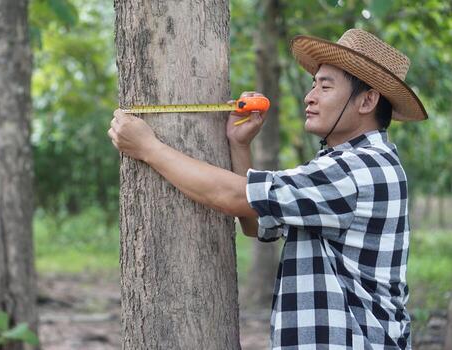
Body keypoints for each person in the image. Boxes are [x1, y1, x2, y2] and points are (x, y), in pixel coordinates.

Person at [108, 29, 427, 349]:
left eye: (325, 86)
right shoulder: (346, 163)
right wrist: (239, 145)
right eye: (314, 84)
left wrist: (149, 148)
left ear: (367, 100)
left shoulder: (359, 169)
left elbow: (235, 197)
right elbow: (257, 222)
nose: (310, 96)